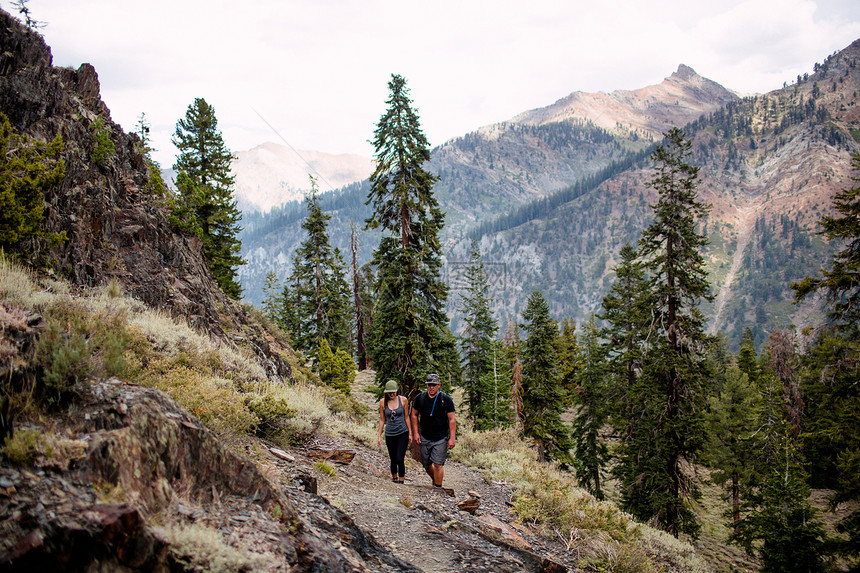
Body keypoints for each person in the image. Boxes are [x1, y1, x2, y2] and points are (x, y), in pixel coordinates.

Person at [410, 373, 456, 488]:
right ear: (426, 385)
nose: (431, 387)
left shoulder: (445, 399)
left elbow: (452, 419)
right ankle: (435, 479)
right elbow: (414, 415)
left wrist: (452, 438)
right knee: (426, 464)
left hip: (441, 437)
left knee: (438, 464)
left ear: (439, 385)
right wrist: (416, 433)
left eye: (434, 385)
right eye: (429, 385)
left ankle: (438, 488)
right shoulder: (420, 398)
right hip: (425, 436)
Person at [377, 379, 414, 483]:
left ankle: (401, 479)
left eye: (393, 392)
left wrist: (410, 433)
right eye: (389, 392)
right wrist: (379, 436)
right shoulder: (382, 402)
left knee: (399, 457)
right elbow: (382, 419)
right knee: (392, 457)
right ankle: (394, 478)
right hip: (389, 433)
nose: (392, 394)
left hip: (402, 432)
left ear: (396, 391)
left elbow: (407, 417)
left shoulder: (403, 400)